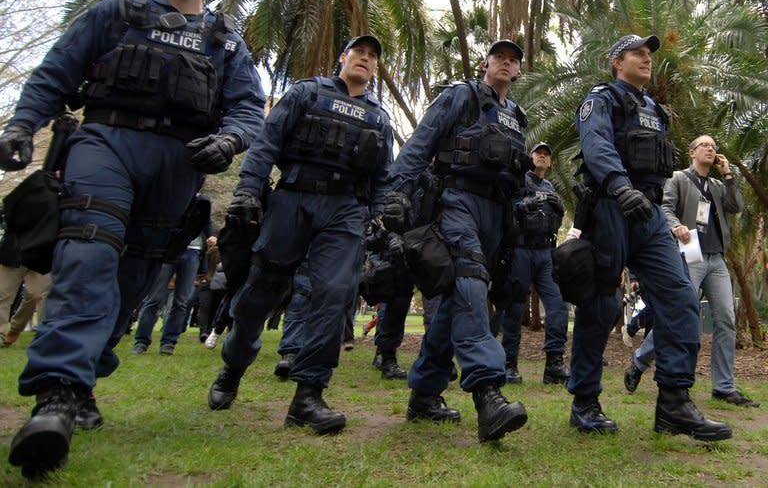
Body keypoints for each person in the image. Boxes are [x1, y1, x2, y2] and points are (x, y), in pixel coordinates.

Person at [1, 0, 265, 477]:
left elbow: (247, 108)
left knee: (134, 278)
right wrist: (22, 124)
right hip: (106, 144)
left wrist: (230, 141)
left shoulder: (226, 41)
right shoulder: (117, 12)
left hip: (178, 163)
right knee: (88, 252)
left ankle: (85, 377)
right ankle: (55, 398)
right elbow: (56, 71)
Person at [207, 35, 394, 436]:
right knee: (261, 292)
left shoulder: (379, 118)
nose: (365, 58)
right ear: (342, 58)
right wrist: (245, 191)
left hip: (345, 210)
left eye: (372, 56)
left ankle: (308, 395)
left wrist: (379, 218)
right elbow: (266, 144)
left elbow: (382, 178)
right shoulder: (306, 93)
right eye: (358, 52)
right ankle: (233, 366)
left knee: (333, 295)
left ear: (376, 69)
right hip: (292, 199)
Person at [568, 33, 731, 440]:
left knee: (679, 297)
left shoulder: (655, 110)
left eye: (648, 54)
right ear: (616, 61)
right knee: (602, 305)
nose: (646, 59)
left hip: (650, 216)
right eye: (637, 53)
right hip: (611, 207)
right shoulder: (601, 98)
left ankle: (674, 403)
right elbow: (596, 145)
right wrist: (621, 187)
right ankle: (585, 401)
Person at [384, 40, 530, 443]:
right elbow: (421, 143)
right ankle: (488, 394)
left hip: (497, 216)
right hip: (456, 201)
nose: (506, 62)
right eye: (499, 56)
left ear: (518, 72)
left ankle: (425, 395)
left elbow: (517, 173)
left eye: (513, 59)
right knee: (468, 279)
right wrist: (396, 193)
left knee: (454, 302)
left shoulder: (517, 116)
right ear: (486, 64)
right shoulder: (461, 95)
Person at [624, 135, 757, 406]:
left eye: (714, 147)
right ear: (691, 153)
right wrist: (675, 226)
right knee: (678, 316)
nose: (711, 149)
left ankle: (723, 386)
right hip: (690, 255)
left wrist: (729, 174)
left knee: (726, 319)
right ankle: (639, 361)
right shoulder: (679, 179)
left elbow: (737, 206)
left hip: (717, 259)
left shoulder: (718, 185)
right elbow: (665, 207)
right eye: (705, 145)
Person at [497, 142, 570, 385]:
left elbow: (553, 222)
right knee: (515, 307)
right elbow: (506, 208)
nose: (542, 156)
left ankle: (554, 364)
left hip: (545, 252)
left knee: (558, 305)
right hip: (521, 250)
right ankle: (509, 363)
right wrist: (521, 207)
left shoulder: (550, 187)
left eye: (546, 154)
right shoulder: (518, 180)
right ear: (530, 157)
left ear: (550, 162)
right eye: (538, 152)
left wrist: (558, 213)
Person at [131, 211, 215, 355]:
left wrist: (212, 236)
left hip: (192, 252)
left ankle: (168, 343)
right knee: (154, 299)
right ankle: (141, 342)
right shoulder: (174, 194)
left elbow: (206, 222)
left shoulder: (201, 202)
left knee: (181, 301)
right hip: (167, 249)